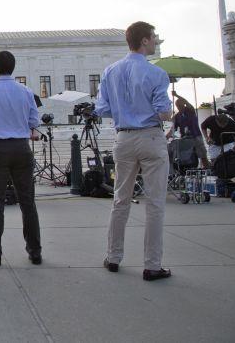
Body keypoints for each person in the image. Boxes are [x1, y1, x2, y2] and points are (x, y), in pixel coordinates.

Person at [95, 21, 174, 281]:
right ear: (144, 41)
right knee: (155, 203)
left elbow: (103, 109)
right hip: (150, 136)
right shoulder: (156, 74)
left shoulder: (110, 71)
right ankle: (152, 264)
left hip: (124, 138)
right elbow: (164, 111)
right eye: (153, 38)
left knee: (120, 200)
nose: (154, 42)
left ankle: (113, 256)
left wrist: (124, 109)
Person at [0, 51, 41, 266]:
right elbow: (34, 122)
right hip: (22, 148)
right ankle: (35, 251)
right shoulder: (26, 91)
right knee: (28, 202)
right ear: (13, 67)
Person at [165, 93, 209, 168]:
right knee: (188, 157)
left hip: (196, 136)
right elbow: (172, 129)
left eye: (181, 105)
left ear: (183, 104)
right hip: (185, 140)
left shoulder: (190, 110)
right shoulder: (177, 116)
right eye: (178, 106)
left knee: (202, 155)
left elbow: (186, 101)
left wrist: (176, 95)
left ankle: (207, 168)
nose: (179, 107)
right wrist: (167, 136)